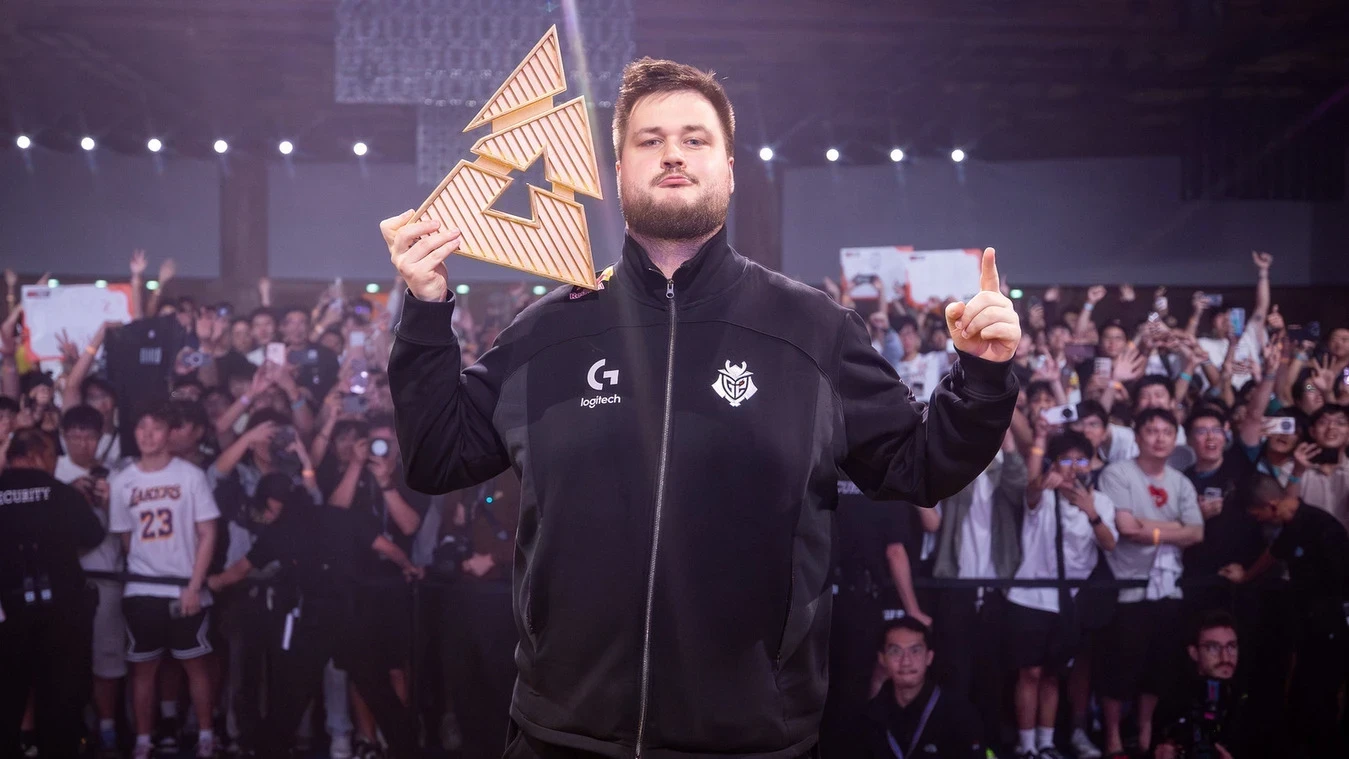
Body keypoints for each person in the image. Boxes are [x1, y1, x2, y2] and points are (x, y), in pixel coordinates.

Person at [382, 57, 1021, 758]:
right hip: (559, 731)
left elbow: (919, 465)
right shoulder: (548, 332)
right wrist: (425, 311)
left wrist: (982, 376)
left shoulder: (812, 329)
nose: (673, 154)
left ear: (729, 168)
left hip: (750, 739)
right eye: (650, 140)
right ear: (617, 172)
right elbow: (437, 455)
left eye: (695, 138)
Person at [207, 471, 422, 757]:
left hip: (314, 618)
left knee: (291, 697)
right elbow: (389, 549)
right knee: (378, 692)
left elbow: (239, 570)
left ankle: (271, 751)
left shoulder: (282, 529)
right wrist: (409, 568)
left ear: (274, 503)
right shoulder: (340, 516)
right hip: (354, 614)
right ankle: (408, 751)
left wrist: (212, 582)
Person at [108, 405, 223, 759]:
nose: (147, 434)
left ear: (169, 433)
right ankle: (144, 740)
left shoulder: (190, 475)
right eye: (141, 427)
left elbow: (208, 532)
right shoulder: (121, 481)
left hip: (184, 586)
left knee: (195, 664)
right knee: (143, 668)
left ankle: (206, 735)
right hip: (142, 588)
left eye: (156, 427)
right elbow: (126, 538)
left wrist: (194, 585)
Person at [1097, 408, 1204, 758]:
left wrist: (1151, 528)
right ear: (1138, 436)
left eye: (1167, 432)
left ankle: (1145, 735)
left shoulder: (1181, 481)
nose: (1159, 438)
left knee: (1159, 667)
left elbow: (1197, 533)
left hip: (1169, 586)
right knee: (1120, 667)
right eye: (1152, 431)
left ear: (1175, 439)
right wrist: (1174, 529)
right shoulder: (1118, 473)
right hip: (1126, 585)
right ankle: (1113, 738)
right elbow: (1127, 529)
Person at [1220, 474, 1349, 758]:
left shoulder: (1323, 528)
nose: (1258, 521)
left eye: (1257, 515)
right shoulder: (1292, 526)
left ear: (1271, 505)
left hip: (1329, 631)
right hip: (1306, 630)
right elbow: (1274, 552)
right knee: (1300, 701)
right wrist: (1245, 576)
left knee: (1320, 701)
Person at [1007, 431, 1118, 759]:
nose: (1073, 467)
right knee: (1030, 672)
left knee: (1053, 674)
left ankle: (1046, 743)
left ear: (1090, 464)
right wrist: (1042, 482)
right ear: (1053, 464)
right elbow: (1029, 494)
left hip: (1069, 602)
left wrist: (1091, 512)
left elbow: (1110, 544)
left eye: (1080, 460)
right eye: (1065, 460)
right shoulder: (1043, 493)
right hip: (1029, 596)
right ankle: (1026, 745)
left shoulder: (1101, 502)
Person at [0, 429, 106, 758]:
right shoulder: (60, 492)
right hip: (61, 615)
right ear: (38, 455)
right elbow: (93, 534)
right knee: (60, 701)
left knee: (6, 698)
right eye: (51, 456)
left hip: (7, 614)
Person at [862, 618, 984, 759]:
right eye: (896, 651)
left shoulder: (959, 714)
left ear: (929, 657)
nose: (906, 662)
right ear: (882, 659)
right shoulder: (869, 716)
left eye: (915, 651)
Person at [1152, 611, 1247, 759]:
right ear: (1194, 652)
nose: (1225, 657)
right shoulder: (1174, 700)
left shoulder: (1251, 701)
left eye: (1231, 646)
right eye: (1213, 648)